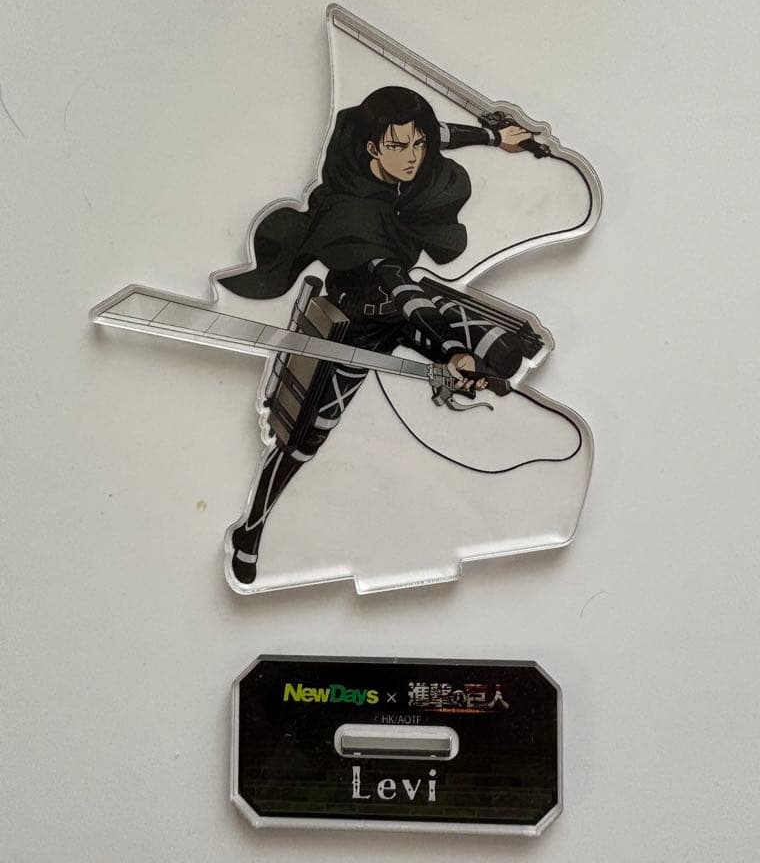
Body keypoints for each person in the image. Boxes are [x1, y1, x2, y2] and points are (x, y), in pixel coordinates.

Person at [219, 86, 533, 583]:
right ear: (372, 148)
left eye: (417, 146)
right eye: (398, 147)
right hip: (355, 325)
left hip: (402, 311)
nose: (413, 157)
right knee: (304, 439)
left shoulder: (395, 150)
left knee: (504, 352)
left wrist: (496, 138)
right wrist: (452, 347)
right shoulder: (351, 211)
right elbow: (401, 287)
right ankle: (251, 529)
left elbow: (438, 133)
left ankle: (479, 360)